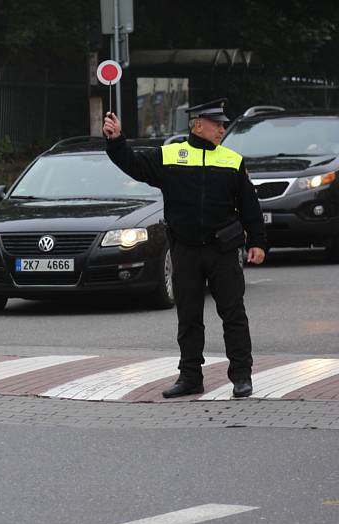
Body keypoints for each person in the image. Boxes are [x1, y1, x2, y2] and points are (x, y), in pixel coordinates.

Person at [102, 97, 267, 398]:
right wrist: (116, 140)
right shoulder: (170, 156)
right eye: (217, 124)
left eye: (223, 125)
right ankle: (190, 377)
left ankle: (242, 376)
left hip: (222, 249)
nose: (222, 129)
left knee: (233, 314)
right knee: (189, 317)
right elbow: (133, 163)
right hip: (186, 249)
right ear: (199, 125)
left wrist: (257, 241)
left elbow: (249, 206)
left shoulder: (232, 160)